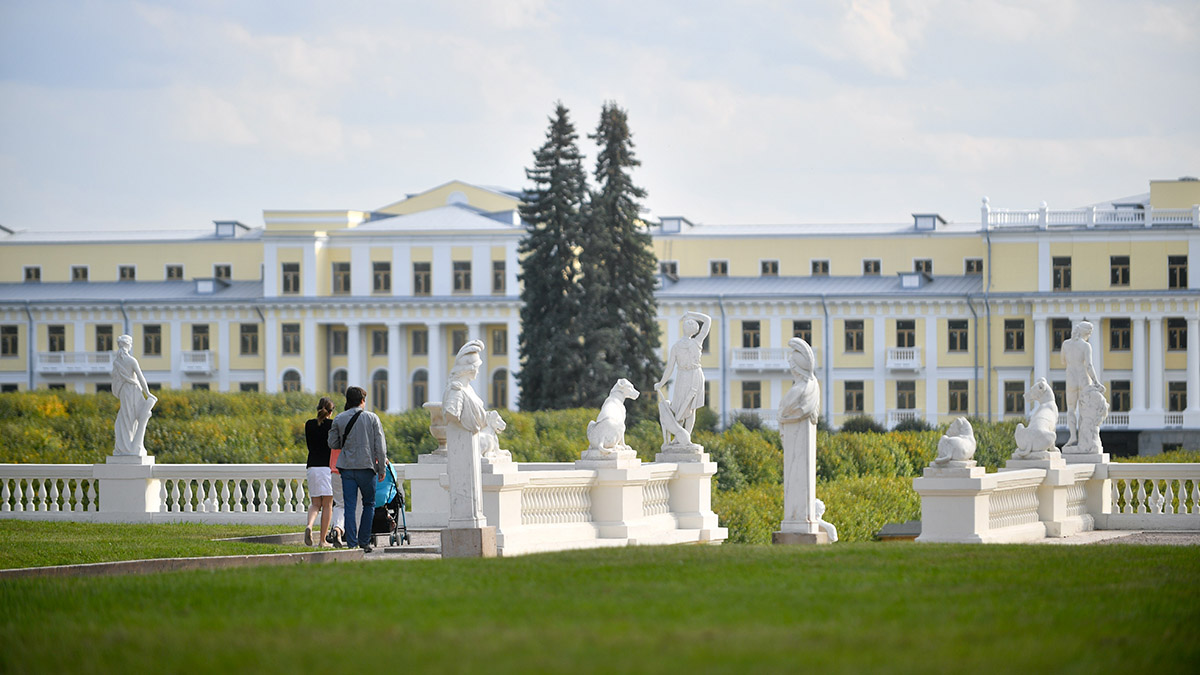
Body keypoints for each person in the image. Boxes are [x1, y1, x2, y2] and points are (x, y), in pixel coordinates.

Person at [327, 386, 387, 552]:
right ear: (362, 400)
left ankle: (352, 543)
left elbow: (332, 443)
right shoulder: (372, 418)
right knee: (369, 504)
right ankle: (364, 542)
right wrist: (381, 468)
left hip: (347, 468)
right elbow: (380, 447)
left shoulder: (339, 419)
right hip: (367, 468)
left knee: (349, 505)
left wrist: (346, 444)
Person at [655, 312, 712, 445]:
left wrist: (690, 314)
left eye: (691, 323)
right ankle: (679, 438)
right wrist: (661, 383)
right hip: (683, 375)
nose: (689, 324)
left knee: (691, 408)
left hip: (695, 375)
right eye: (688, 322)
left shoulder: (697, 342)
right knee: (678, 406)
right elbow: (669, 368)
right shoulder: (677, 346)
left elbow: (708, 320)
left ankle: (686, 439)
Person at [111, 333, 157, 455]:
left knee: (125, 417)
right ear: (128, 345)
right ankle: (129, 447)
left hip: (123, 391)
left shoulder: (116, 362)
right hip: (133, 390)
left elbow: (115, 380)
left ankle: (125, 446)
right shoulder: (131, 361)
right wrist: (148, 393)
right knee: (131, 418)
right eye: (130, 344)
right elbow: (141, 378)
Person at [1061, 321, 1103, 448]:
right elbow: (1089, 366)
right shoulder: (1086, 346)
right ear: (1086, 332)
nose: (1089, 336)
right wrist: (1096, 382)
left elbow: (1063, 361)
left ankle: (1073, 436)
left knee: (1071, 409)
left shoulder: (1066, 344)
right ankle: (1083, 439)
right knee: (1084, 410)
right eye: (1089, 333)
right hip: (1084, 379)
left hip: (1071, 379)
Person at [303, 397, 336, 547]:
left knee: (315, 504)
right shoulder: (332, 425)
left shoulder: (309, 424)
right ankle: (322, 540)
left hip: (312, 467)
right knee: (327, 504)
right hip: (326, 468)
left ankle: (309, 526)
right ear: (330, 412)